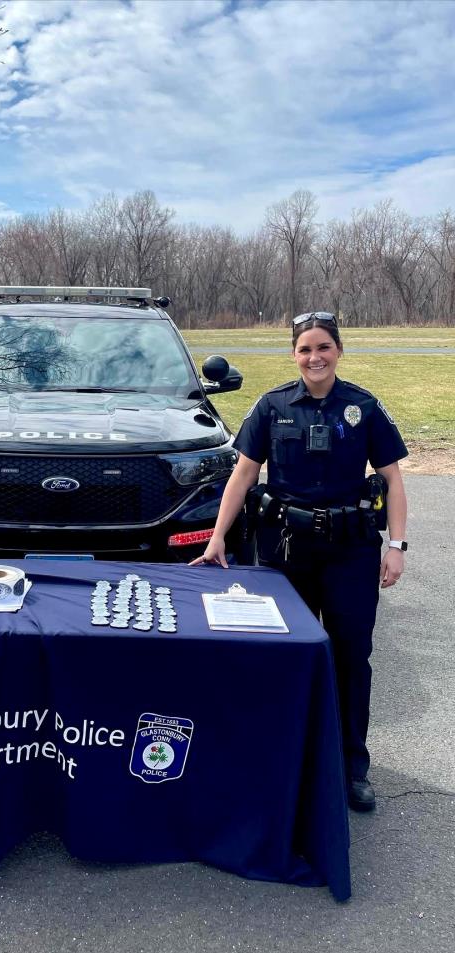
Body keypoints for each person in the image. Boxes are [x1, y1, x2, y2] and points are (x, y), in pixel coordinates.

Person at [191, 312, 408, 812]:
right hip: (286, 552)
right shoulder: (271, 408)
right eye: (306, 348)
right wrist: (218, 537)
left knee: (351, 657)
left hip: (351, 552)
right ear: (294, 354)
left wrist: (396, 546)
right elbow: (243, 475)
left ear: (339, 351)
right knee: (283, 652)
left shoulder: (364, 407)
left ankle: (352, 764)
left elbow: (393, 480)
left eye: (324, 347)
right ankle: (281, 756)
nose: (315, 357)